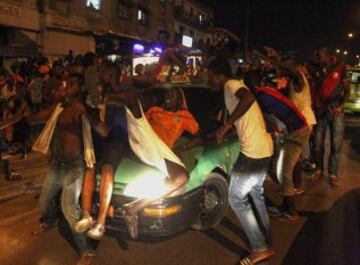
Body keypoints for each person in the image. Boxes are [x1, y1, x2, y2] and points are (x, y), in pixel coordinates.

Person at [27, 74, 105, 264]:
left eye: (71, 84)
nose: (67, 87)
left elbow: (103, 130)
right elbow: (36, 119)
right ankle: (49, 220)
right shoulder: (60, 107)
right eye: (66, 84)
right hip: (57, 163)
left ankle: (86, 250)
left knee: (69, 207)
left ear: (81, 89)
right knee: (45, 199)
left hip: (74, 165)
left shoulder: (82, 108)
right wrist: (25, 109)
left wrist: (86, 112)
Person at [103, 81, 190, 240]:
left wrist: (182, 149)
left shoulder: (184, 116)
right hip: (147, 141)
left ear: (179, 99)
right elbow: (142, 116)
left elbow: (197, 136)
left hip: (159, 150)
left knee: (181, 177)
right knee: (131, 101)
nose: (168, 97)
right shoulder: (155, 111)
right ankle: (101, 97)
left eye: (172, 95)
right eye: (167, 95)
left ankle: (132, 208)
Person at [208, 58, 274, 265]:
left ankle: (259, 247)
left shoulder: (231, 85)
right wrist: (222, 130)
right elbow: (244, 122)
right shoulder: (232, 88)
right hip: (264, 149)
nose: (208, 80)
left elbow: (248, 99)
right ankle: (265, 240)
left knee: (235, 197)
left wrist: (226, 125)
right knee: (256, 194)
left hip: (253, 153)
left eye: (209, 76)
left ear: (218, 75)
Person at [312, 46, 350, 186]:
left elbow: (347, 90)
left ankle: (332, 173)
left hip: (336, 110)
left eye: (320, 55)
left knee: (336, 144)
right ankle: (319, 170)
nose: (318, 58)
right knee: (317, 144)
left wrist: (340, 107)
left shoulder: (340, 68)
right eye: (317, 56)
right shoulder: (317, 69)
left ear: (327, 55)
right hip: (321, 110)